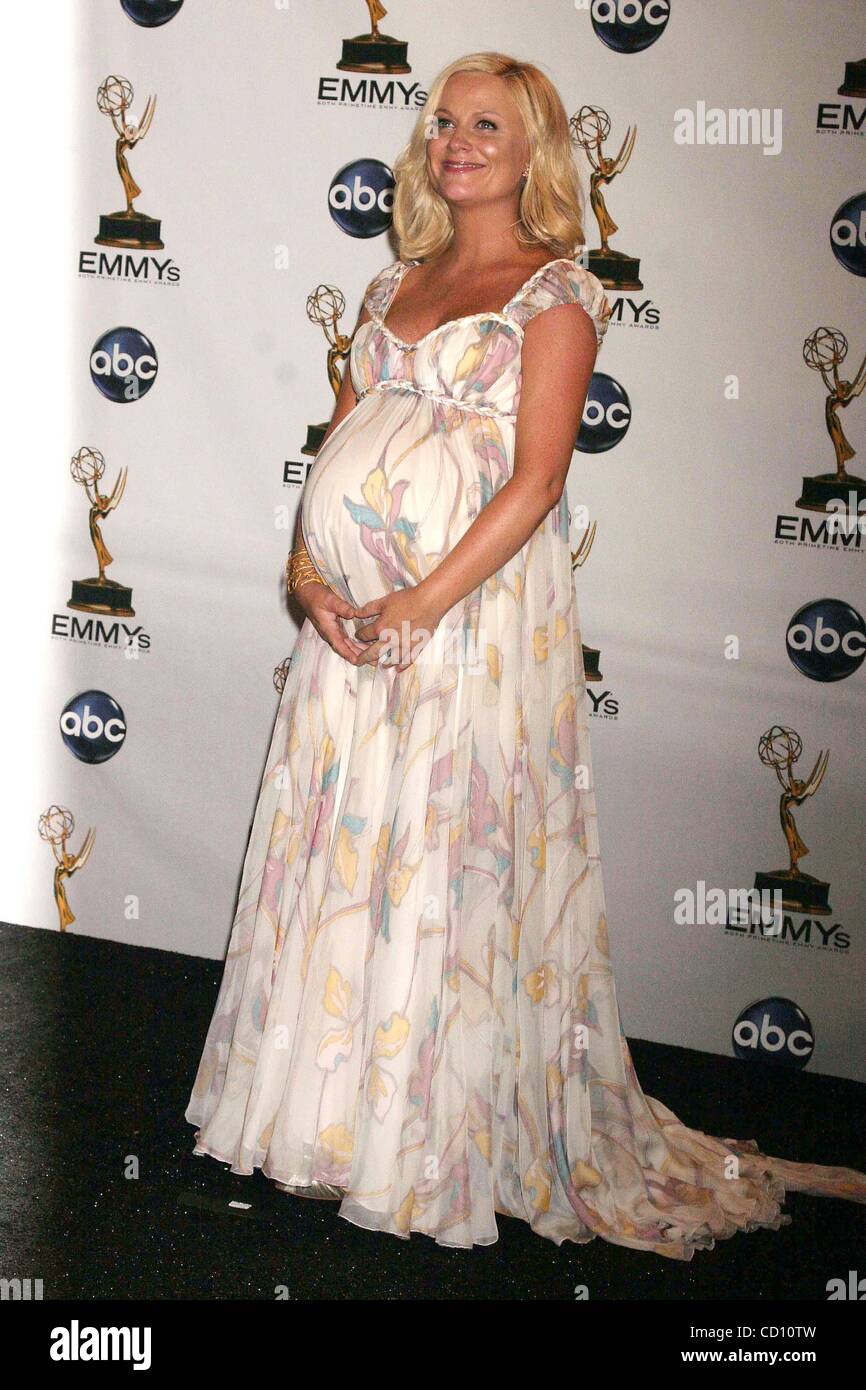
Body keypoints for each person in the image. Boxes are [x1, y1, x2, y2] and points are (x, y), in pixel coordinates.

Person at [185, 51, 866, 1259]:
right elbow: (337, 440)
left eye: (486, 125)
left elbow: (538, 479)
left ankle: (428, 1144)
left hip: (463, 633)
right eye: (443, 121)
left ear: (533, 146)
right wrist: (311, 581)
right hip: (350, 630)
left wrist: (421, 603)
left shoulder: (558, 295)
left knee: (440, 861)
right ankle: (329, 1124)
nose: (457, 141)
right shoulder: (394, 277)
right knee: (346, 853)